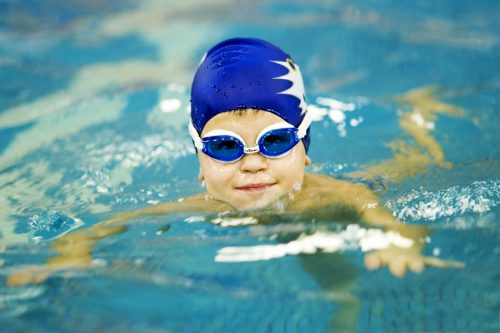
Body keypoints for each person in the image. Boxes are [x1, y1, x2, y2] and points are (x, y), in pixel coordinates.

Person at [7, 38, 462, 286]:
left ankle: (420, 112)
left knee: (416, 155)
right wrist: (68, 256)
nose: (252, 164)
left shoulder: (337, 194)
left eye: (276, 141)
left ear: (305, 150)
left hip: (378, 179)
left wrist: (401, 241)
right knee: (334, 284)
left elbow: (389, 218)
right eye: (225, 147)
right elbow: (106, 226)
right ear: (200, 163)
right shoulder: (204, 206)